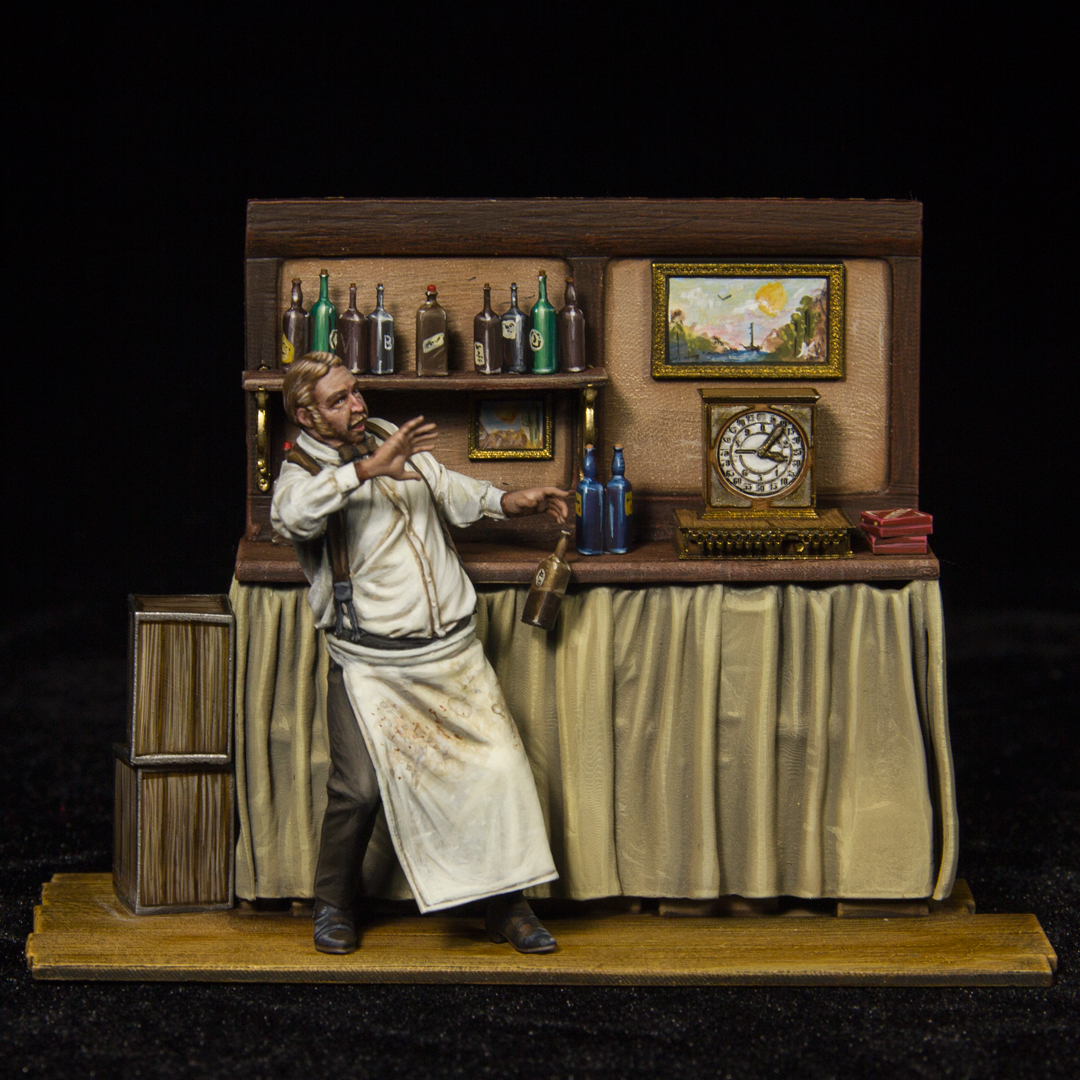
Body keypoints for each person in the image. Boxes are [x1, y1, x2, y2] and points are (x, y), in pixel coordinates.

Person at [271, 351, 571, 956]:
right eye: (338, 400)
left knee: (499, 771)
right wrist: (363, 472)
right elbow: (291, 519)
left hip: (452, 657)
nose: (358, 406)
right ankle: (333, 904)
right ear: (305, 415)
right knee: (357, 789)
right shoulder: (301, 472)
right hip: (371, 664)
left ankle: (506, 907)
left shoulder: (387, 435)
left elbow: (447, 488)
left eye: (356, 391)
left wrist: (507, 500)